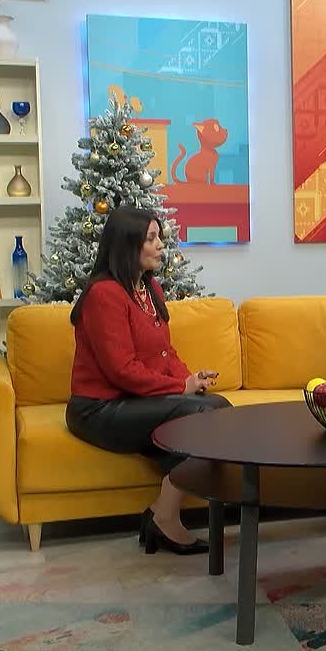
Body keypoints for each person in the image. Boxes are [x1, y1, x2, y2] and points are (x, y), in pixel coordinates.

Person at [66, 206, 231, 556]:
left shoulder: (149, 287)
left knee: (219, 409)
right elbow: (121, 370)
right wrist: (180, 389)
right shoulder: (104, 294)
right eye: (152, 239)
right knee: (203, 416)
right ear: (128, 244)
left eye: (159, 238)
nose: (160, 246)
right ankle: (164, 518)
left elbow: (164, 353)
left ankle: (162, 514)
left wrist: (190, 379)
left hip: (135, 401)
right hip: (99, 409)